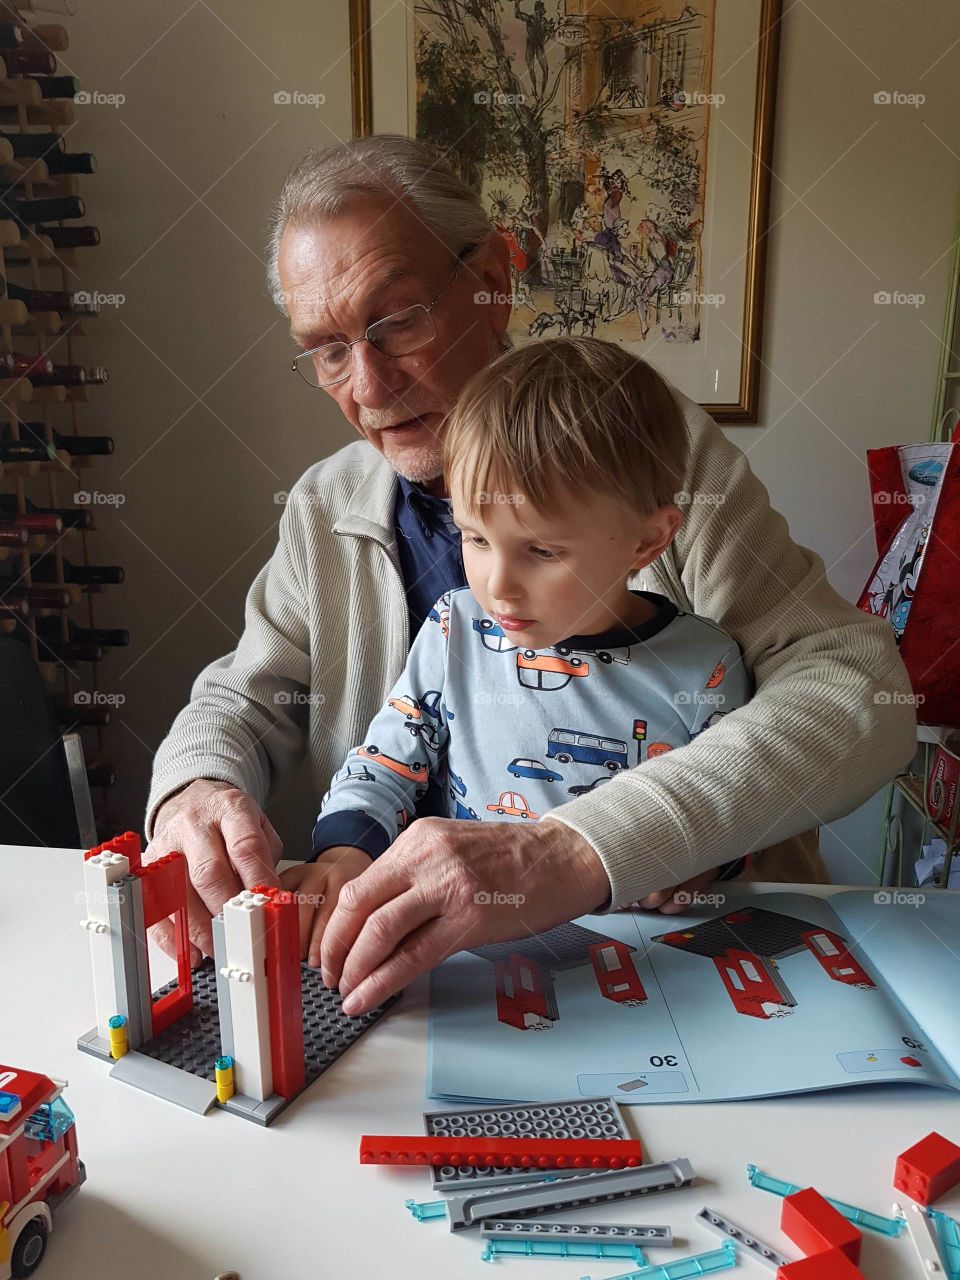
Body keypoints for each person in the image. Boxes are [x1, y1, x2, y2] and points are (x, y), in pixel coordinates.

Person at [144, 134, 915, 1019]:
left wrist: (577, 852)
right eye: (326, 349)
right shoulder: (326, 504)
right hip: (404, 991)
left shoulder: (651, 464)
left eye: (396, 321)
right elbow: (242, 699)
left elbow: (858, 690)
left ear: (496, 279)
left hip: (682, 972)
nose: (368, 384)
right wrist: (196, 789)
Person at [281, 338, 755, 967]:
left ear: (648, 539)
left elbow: (733, 805)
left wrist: (704, 861)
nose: (496, 584)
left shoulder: (709, 665)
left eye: (543, 551)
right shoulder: (455, 628)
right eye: (474, 537)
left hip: (648, 963)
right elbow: (387, 763)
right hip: (472, 952)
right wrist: (345, 849)